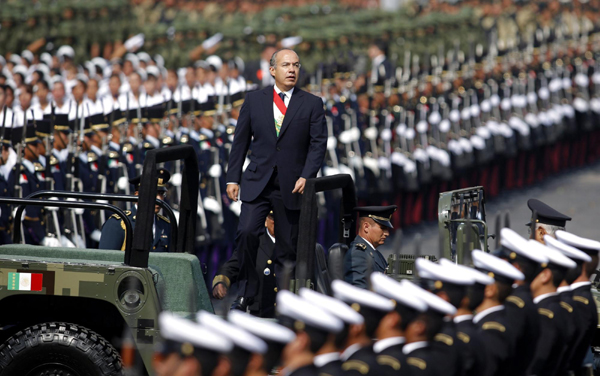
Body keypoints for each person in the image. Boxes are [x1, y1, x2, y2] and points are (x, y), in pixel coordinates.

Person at [225, 48, 326, 311]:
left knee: (286, 247)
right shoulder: (254, 100)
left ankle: (282, 299)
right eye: (285, 65)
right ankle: (248, 289)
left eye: (295, 65)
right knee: (246, 232)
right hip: (258, 180)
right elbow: (240, 141)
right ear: (273, 71)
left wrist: (307, 174)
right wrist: (232, 178)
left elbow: (318, 145)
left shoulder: (312, 103)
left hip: (291, 184)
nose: (291, 69)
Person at [212, 211, 277, 318]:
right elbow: (232, 266)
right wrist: (221, 282)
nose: (276, 222)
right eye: (273, 218)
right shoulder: (254, 243)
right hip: (261, 314)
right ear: (265, 220)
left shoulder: (291, 244)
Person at [98, 168, 171, 251]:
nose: (159, 199)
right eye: (154, 193)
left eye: (161, 194)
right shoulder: (119, 223)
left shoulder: (165, 225)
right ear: (137, 195)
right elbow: (107, 259)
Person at [343, 205, 397, 288]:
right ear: (366, 227)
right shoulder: (358, 255)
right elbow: (359, 292)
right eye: (382, 228)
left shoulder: (371, 250)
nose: (387, 233)